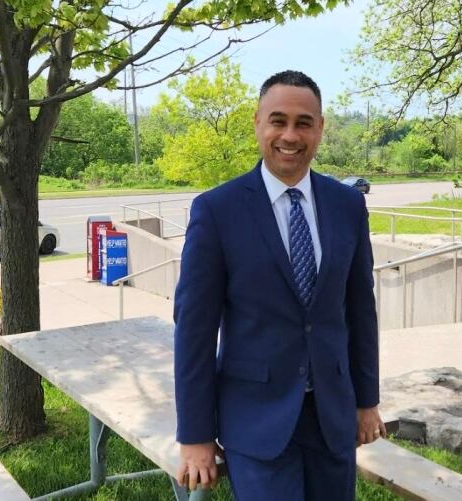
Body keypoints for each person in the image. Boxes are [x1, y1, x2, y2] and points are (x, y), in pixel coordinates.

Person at [174, 70, 386, 500]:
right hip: (255, 421)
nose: (290, 135)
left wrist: (367, 401)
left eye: (303, 123)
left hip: (332, 417)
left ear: (320, 128)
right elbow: (194, 332)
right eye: (278, 120)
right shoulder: (217, 210)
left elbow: (360, 311)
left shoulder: (348, 206)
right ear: (257, 123)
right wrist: (194, 435)